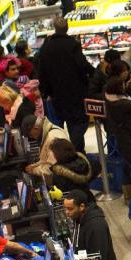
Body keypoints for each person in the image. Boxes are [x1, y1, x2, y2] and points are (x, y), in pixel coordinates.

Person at [37, 15, 95, 150]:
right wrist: (95, 73)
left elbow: (42, 72)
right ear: (67, 28)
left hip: (56, 94)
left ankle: (63, 153)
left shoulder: (46, 47)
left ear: (55, 29)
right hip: (75, 92)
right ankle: (77, 152)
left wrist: (45, 92)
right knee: (77, 124)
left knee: (58, 126)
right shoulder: (72, 44)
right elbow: (82, 65)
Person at [64, 189, 119, 260]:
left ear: (81, 207)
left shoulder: (96, 227)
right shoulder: (78, 217)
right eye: (65, 208)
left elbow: (98, 259)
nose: (66, 212)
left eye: (70, 209)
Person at [22, 113, 69, 178]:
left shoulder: (52, 139)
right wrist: (36, 165)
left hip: (63, 179)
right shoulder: (48, 131)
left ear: (36, 128)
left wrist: (34, 170)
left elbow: (52, 169)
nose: (31, 137)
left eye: (30, 135)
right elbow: (47, 159)